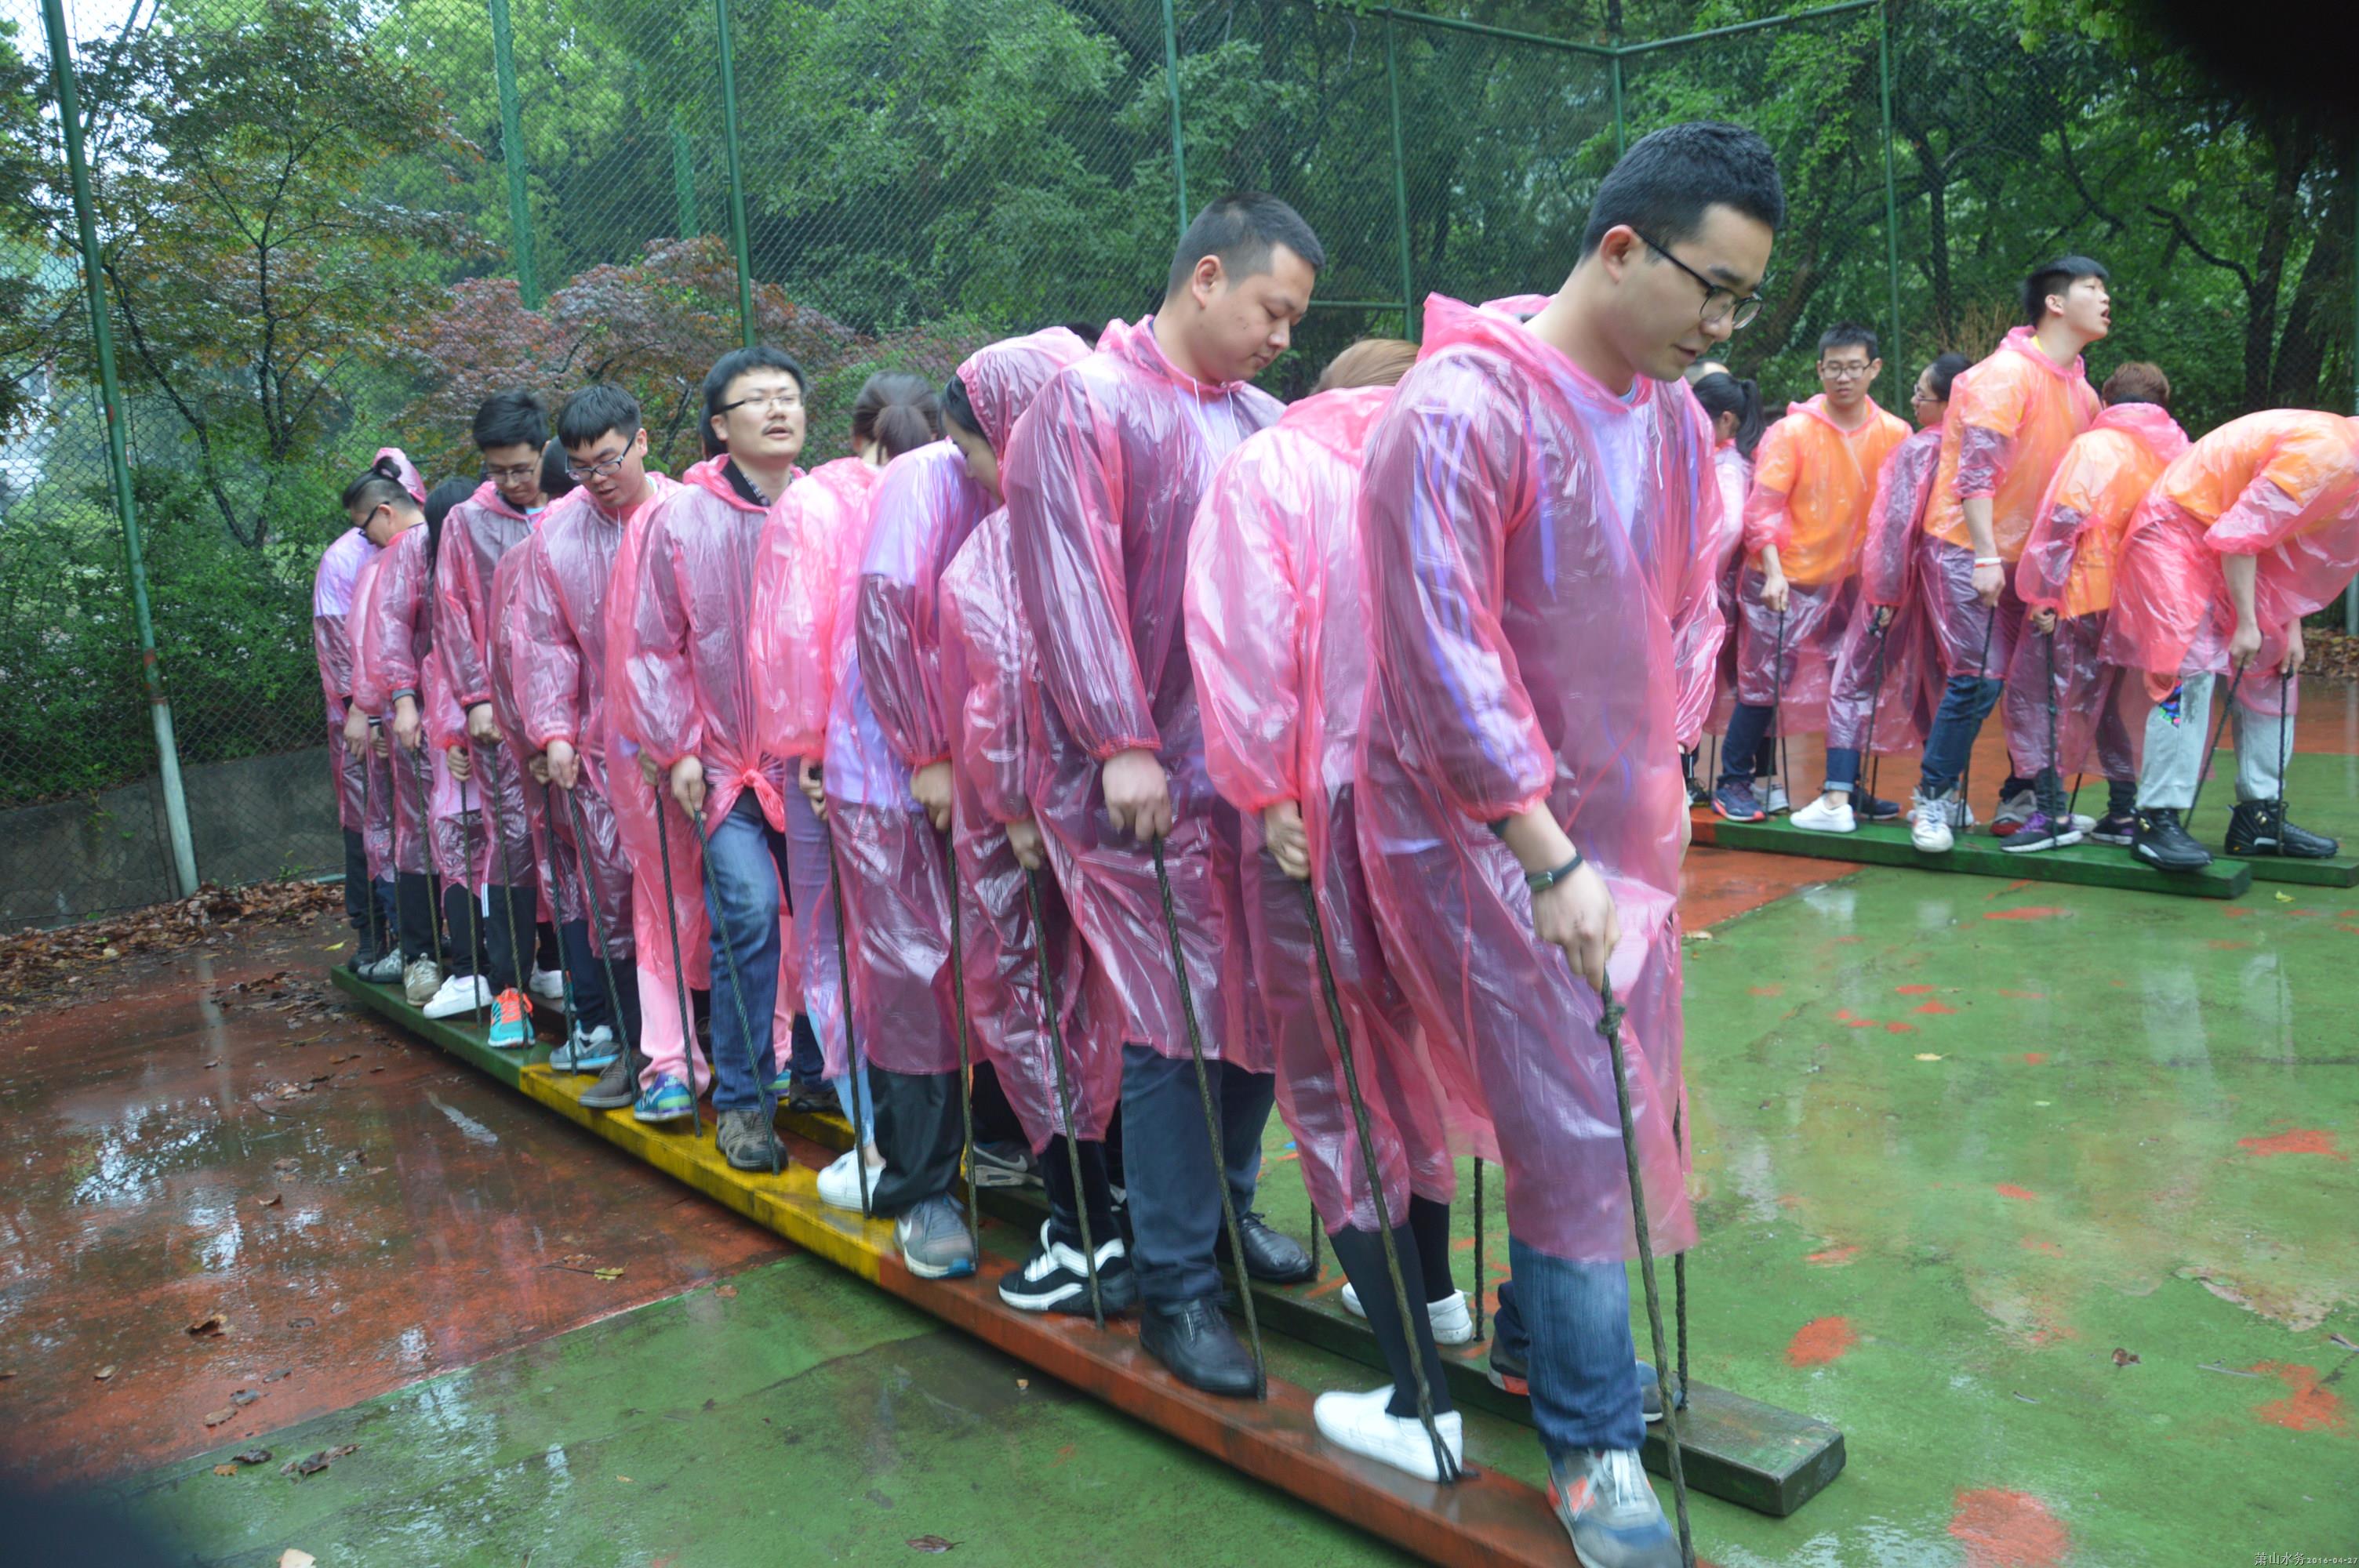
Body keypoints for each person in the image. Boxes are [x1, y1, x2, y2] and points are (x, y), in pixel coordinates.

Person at [1354, 121, 1779, 1566]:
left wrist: (1654, 801)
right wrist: (1543, 853)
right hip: (1480, 831)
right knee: (1581, 1122)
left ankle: (1544, 1340)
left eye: (1742, 305)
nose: (1720, 328)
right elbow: (1441, 651)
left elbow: (1675, 615)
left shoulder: (1667, 418)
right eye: (1712, 292)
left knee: (1604, 1102)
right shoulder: (1458, 411)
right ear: (1621, 248)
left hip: (1611, 833)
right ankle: (1595, 1447)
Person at [1003, 194, 1321, 1397]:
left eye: (1294, 322)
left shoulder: (1264, 421)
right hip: (1138, 777)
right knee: (1174, 1019)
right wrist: (1119, 738)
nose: (1281, 338)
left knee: (1258, 1005)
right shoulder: (1086, 403)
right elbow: (1070, 578)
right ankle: (1177, 1281)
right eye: (1272, 310)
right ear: (1207, 277)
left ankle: (1226, 1212)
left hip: (1251, 773)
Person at [1184, 336, 1472, 1477]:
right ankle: (1435, 1297)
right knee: (1407, 1059)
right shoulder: (1442, 465)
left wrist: (1266, 793)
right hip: (1432, 813)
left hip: (1314, 813)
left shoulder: (1271, 467)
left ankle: (1418, 1400)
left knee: (1335, 1084)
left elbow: (1246, 644)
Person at [938, 334, 1140, 1314]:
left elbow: (1005, 687)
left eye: (970, 448)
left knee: (1034, 1010)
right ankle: (1129, 1207)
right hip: (1123, 813)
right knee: (1117, 1008)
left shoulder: (1009, 540)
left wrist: (1017, 806)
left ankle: (1080, 1229)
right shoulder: (1112, 511)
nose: (970, 470)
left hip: (1033, 821)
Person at [622, 347, 817, 1172]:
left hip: (809, 763)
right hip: (722, 766)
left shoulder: (821, 504)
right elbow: (652, 644)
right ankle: (743, 1102)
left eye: (788, 396)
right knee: (748, 910)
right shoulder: (681, 518)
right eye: (756, 399)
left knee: (828, 923)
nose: (777, 409)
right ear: (719, 426)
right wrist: (675, 747)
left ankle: (820, 1073)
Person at [746, 372, 939, 1188]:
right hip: (934, 770)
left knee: (835, 948)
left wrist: (815, 752)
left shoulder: (811, 503)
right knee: (919, 955)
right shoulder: (946, 489)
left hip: (832, 770)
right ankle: (936, 1140)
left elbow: (792, 644)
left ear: (854, 430)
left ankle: (877, 1141)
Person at [1909, 257, 2109, 851]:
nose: (2105, 299)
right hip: (1967, 546)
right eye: (2093, 288)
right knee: (1980, 676)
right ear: (2055, 303)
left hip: (2034, 559)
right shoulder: (2005, 374)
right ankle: (1933, 800)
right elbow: (1975, 474)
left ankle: (2034, 803)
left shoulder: (2084, 393)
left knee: (2037, 681)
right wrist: (1986, 556)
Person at [2104, 408, 2359, 868]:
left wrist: (2288, 624)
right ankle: (2156, 817)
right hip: (2175, 534)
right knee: (2188, 670)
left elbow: (2281, 542)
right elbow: (2240, 533)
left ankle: (2259, 815)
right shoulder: (2327, 452)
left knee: (2277, 667)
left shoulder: (2347, 469)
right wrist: (2246, 622)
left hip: (2234, 549)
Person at [513, 383, 676, 1085]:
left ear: (641, 441)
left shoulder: (682, 513)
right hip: (602, 744)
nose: (598, 478)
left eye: (608, 460)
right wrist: (554, 730)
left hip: (688, 745)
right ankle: (639, 1045)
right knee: (613, 892)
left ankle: (708, 1041)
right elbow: (545, 640)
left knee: (692, 894)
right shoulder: (557, 534)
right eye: (580, 467)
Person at [1715, 325, 1909, 824]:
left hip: (1852, 582)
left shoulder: (1894, 433)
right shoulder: (1793, 432)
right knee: (1763, 684)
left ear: (1874, 369)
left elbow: (1893, 517)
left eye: (1854, 367)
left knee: (1854, 683)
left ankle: (1845, 786)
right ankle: (1734, 781)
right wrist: (1774, 572)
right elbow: (1764, 509)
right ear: (1820, 369)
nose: (1844, 377)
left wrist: (1884, 584)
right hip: (1784, 578)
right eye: (1834, 367)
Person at [2000, 362, 2188, 851]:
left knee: (2049, 701)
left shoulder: (2093, 447)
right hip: (2142, 603)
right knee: (2110, 709)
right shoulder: (2177, 452)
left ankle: (2051, 812)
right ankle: (2123, 811)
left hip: (2084, 595)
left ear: (2105, 400)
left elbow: (2063, 520)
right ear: (2162, 403)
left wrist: (2044, 593)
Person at [433, 391, 564, 1048]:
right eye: (497, 470)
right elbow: (451, 611)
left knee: (579, 843)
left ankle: (576, 976)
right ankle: (508, 991)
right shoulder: (466, 522)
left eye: (521, 467)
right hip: (501, 715)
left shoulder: (574, 506)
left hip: (573, 709)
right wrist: (475, 698)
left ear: (544, 451)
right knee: (509, 844)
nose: (512, 481)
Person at [1794, 350, 1972, 830]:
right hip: (1955, 594)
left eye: (1922, 394)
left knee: (1852, 680)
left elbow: (1894, 528)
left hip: (1903, 591)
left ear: (1947, 402)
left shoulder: (1919, 449)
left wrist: (1884, 595)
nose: (1914, 401)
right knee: (1933, 688)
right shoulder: (1981, 447)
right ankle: (1946, 795)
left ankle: (1837, 797)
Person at [343, 451, 455, 1004]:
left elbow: (376, 646)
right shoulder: (442, 538)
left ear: (384, 512)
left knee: (420, 836)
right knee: (442, 834)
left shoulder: (397, 557)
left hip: (420, 717)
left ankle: (423, 955)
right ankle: (445, 955)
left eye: (364, 526)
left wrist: (381, 707)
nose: (364, 538)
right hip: (443, 714)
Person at [316, 497, 395, 978]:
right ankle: (372, 934)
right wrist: (358, 712)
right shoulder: (345, 558)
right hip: (361, 717)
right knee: (365, 823)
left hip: (406, 710)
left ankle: (419, 933)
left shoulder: (413, 544)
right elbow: (335, 644)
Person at [1686, 370, 1763, 806]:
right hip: (1713, 592)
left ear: (1727, 420)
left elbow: (1730, 526)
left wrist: (1698, 576)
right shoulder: (1722, 457)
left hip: (1704, 592)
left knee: (1689, 681)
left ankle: (1688, 778)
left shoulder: (1728, 466)